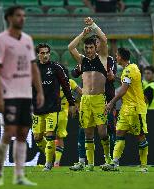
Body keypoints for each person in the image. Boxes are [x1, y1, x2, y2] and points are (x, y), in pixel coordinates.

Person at [0, 6, 44, 186]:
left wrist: (39, 91)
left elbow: (33, 68)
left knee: (23, 133)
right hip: (9, 94)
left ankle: (19, 176)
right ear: (9, 18)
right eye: (18, 16)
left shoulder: (28, 40)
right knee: (9, 132)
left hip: (26, 95)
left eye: (23, 16)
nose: (22, 19)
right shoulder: (0, 41)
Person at [68, 17, 110, 171]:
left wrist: (93, 26)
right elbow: (71, 47)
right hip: (85, 99)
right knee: (88, 132)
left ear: (95, 48)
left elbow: (104, 39)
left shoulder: (103, 59)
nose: (88, 50)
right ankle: (90, 164)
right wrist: (82, 34)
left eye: (91, 47)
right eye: (86, 48)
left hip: (99, 99)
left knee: (102, 132)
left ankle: (108, 160)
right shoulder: (83, 61)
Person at [102, 48, 148, 172]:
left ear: (121, 57)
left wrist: (111, 103)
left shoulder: (129, 70)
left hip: (135, 108)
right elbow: (127, 83)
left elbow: (123, 90)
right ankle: (114, 163)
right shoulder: (131, 68)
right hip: (126, 108)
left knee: (140, 136)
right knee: (119, 134)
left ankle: (144, 166)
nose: (116, 57)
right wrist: (115, 77)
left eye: (117, 56)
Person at [32, 43, 76, 171]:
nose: (45, 55)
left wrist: (72, 103)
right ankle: (49, 156)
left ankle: (48, 164)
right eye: (42, 53)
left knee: (50, 135)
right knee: (37, 138)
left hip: (53, 108)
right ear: (38, 54)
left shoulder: (56, 67)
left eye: (47, 53)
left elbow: (66, 86)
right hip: (38, 108)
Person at [54, 69, 82, 167]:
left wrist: (76, 104)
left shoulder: (70, 82)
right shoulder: (53, 82)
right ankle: (52, 160)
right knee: (50, 137)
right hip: (51, 113)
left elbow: (82, 93)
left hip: (61, 114)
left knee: (57, 137)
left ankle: (56, 162)